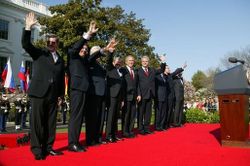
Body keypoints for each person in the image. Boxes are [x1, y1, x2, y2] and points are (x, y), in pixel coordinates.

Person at [22, 12, 65, 160]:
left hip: (53, 96)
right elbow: (26, 44)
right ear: (46, 43)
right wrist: (28, 27)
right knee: (37, 123)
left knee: (50, 123)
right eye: (49, 42)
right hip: (38, 93)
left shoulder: (60, 59)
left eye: (53, 42)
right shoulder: (39, 54)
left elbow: (60, 78)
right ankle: (36, 150)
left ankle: (48, 148)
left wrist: (60, 95)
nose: (51, 44)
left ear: (57, 43)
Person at [67, 21, 98, 152]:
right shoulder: (73, 56)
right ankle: (72, 143)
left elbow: (94, 56)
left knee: (80, 117)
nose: (84, 50)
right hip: (76, 90)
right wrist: (88, 34)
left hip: (84, 90)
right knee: (75, 117)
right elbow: (76, 47)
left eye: (86, 50)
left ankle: (76, 142)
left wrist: (105, 49)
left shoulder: (84, 61)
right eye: (83, 49)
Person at [85, 41, 117, 146]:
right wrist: (101, 50)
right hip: (93, 93)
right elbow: (93, 56)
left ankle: (98, 138)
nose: (99, 55)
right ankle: (90, 140)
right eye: (97, 53)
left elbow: (109, 64)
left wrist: (111, 53)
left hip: (102, 94)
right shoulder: (89, 61)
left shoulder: (100, 65)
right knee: (92, 118)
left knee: (100, 118)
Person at [137, 55, 164, 134]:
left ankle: (147, 128)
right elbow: (137, 84)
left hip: (150, 94)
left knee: (148, 113)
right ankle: (141, 129)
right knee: (141, 113)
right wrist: (138, 94)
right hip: (141, 95)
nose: (145, 62)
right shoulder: (138, 70)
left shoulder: (152, 70)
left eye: (146, 61)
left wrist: (163, 61)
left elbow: (161, 70)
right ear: (141, 62)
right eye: (143, 61)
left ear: (148, 62)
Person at [120, 55, 141, 138]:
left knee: (132, 115)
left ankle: (130, 131)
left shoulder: (135, 71)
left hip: (134, 97)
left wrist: (139, 94)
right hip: (126, 96)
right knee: (126, 115)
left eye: (132, 60)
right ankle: (125, 132)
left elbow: (137, 84)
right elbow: (121, 84)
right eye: (129, 60)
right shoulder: (123, 70)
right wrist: (122, 98)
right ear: (126, 61)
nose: (131, 62)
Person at [105, 54, 124, 142]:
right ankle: (108, 135)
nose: (118, 63)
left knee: (116, 116)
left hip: (119, 97)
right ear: (113, 62)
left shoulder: (120, 71)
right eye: (116, 62)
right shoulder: (110, 69)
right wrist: (111, 53)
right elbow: (108, 61)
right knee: (111, 116)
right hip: (112, 96)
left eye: (119, 62)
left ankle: (114, 134)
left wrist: (122, 99)